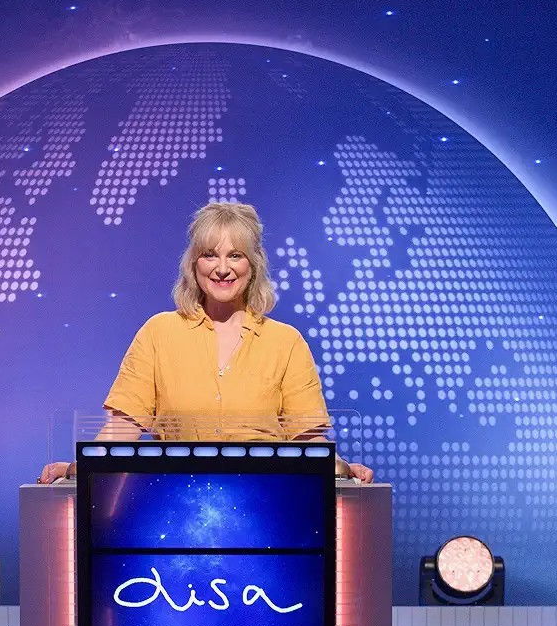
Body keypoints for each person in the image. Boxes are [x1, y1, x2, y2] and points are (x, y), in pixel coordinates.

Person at [37, 201, 373, 482]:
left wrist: (342, 470)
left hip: (267, 498)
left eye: (236, 255)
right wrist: (77, 468)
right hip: (173, 496)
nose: (222, 269)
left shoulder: (286, 342)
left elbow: (307, 438)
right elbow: (123, 427)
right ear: (193, 264)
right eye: (210, 255)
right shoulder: (158, 332)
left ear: (254, 265)